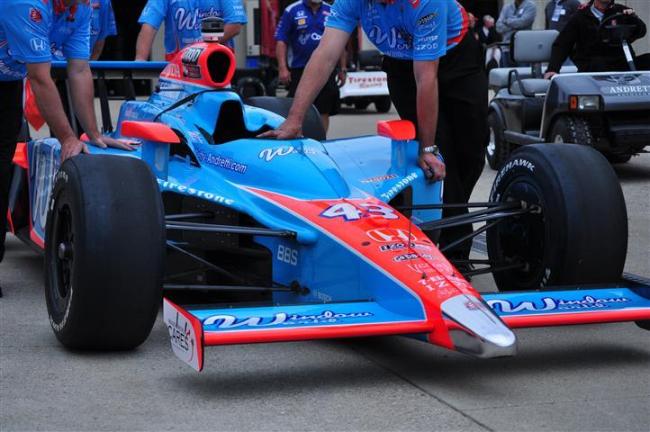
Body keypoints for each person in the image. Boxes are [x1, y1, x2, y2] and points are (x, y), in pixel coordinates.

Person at [261, 0, 489, 266]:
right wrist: (294, 119)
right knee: (441, 154)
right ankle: (455, 254)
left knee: (472, 150)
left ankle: (451, 223)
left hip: (457, 58)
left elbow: (427, 76)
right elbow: (325, 55)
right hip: (402, 65)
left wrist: (427, 149)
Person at [0, 0, 135, 276]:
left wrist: (93, 133)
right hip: (13, 77)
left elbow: (79, 69)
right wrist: (67, 138)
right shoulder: (26, 3)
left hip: (7, 83)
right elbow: (39, 78)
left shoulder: (82, 8)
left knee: (1, 172)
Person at [275, 0, 345, 132]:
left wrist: (342, 69)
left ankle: (322, 142)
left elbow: (341, 42)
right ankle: (299, 141)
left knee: (324, 109)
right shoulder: (292, 10)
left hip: (326, 70)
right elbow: (281, 40)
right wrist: (282, 68)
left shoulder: (332, 10)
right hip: (299, 69)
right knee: (299, 108)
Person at [545, 0, 649, 78]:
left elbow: (641, 32)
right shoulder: (580, 16)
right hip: (592, 66)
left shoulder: (621, 11)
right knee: (599, 63)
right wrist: (552, 69)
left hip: (622, 63)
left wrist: (634, 19)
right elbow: (562, 44)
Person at [135, 0, 248, 61]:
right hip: (177, 69)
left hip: (216, 66)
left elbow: (234, 25)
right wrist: (140, 60)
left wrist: (200, 48)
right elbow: (149, 25)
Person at [496, 0, 536, 66]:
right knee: (507, 74)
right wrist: (515, 23)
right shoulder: (507, 7)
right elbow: (498, 27)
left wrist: (507, 21)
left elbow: (522, 23)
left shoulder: (530, 6)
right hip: (507, 47)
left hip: (523, 49)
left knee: (523, 74)